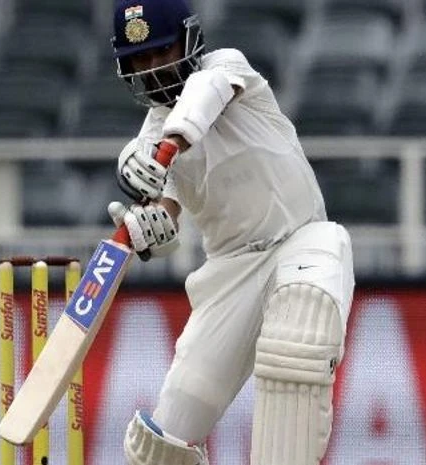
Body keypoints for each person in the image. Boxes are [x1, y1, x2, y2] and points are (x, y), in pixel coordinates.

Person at [104, 0, 356, 464]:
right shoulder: (146, 143)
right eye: (141, 61)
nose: (155, 70)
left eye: (162, 53)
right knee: (162, 446)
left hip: (302, 238)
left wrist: (164, 150)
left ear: (189, 39)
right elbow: (168, 214)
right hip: (230, 274)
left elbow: (205, 94)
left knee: (298, 336)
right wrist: (150, 227)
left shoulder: (228, 68)